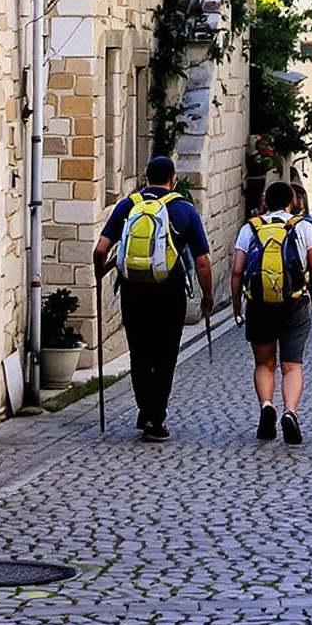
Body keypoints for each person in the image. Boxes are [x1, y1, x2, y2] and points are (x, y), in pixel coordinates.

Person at [94, 154, 215, 442]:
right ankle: (155, 416)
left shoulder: (128, 205)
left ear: (146, 178)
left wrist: (100, 276)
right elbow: (202, 262)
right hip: (169, 290)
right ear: (173, 179)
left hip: (133, 289)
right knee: (164, 355)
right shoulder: (184, 210)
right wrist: (207, 296)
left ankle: (145, 408)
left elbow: (101, 249)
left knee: (139, 351)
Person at [232, 179, 312, 445]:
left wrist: (236, 302)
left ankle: (266, 406)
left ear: (265, 202)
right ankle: (290, 411)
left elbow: (238, 270)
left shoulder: (250, 228)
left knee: (264, 363)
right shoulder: (304, 228)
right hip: (295, 304)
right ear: (291, 203)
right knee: (292, 365)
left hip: (259, 304)